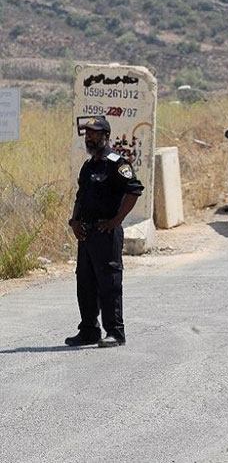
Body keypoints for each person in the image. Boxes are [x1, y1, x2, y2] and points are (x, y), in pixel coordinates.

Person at [66, 116, 143, 348]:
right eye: (87, 133)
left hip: (106, 233)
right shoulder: (88, 166)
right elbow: (80, 196)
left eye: (95, 133)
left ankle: (115, 332)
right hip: (86, 233)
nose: (89, 137)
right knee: (85, 282)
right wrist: (74, 221)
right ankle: (89, 330)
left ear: (105, 136)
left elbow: (134, 190)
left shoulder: (116, 163)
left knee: (109, 282)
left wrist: (116, 220)